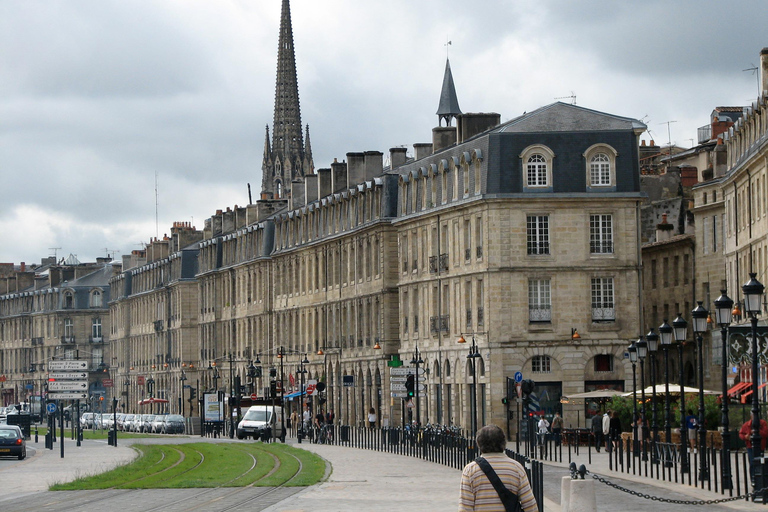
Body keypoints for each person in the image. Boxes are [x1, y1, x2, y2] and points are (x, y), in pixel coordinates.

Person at [459, 424, 538, 512]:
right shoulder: (516, 468)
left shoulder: (470, 470)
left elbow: (465, 508)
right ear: (504, 443)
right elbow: (530, 506)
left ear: (479, 444)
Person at [739, 417, 768, 483]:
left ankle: (761, 479)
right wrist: (745, 437)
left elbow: (765, 433)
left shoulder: (763, 423)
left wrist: (756, 431)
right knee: (752, 463)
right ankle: (753, 479)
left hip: (761, 446)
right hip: (750, 446)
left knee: (761, 463)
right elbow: (741, 434)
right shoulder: (746, 424)